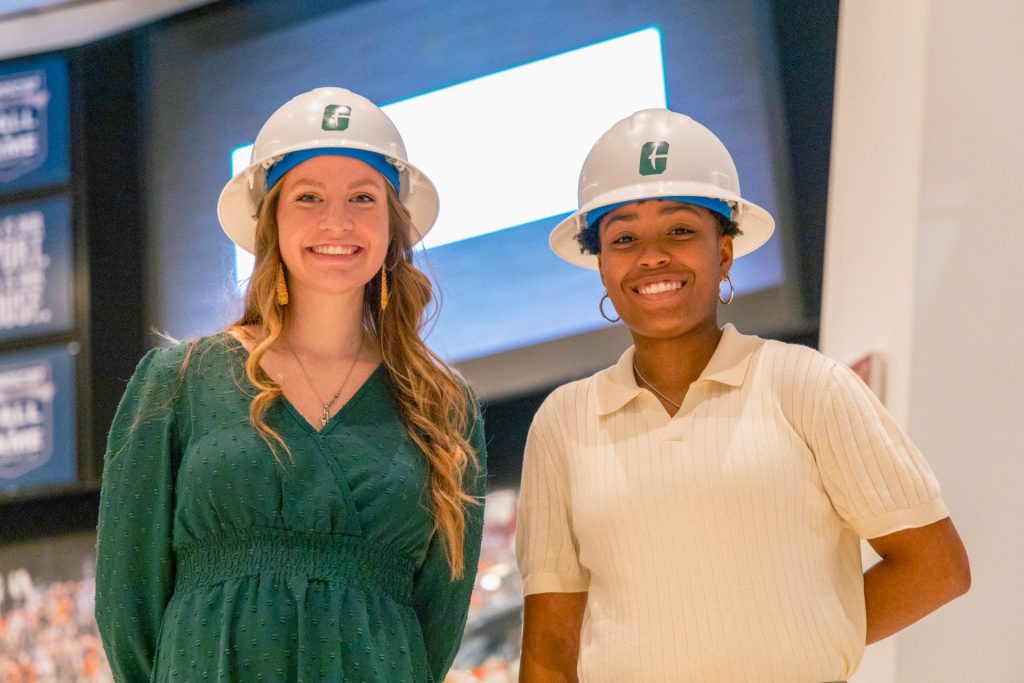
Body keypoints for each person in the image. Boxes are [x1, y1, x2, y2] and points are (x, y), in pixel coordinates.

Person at [515, 109, 969, 682]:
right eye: (624, 238)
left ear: (724, 251)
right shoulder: (563, 422)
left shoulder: (807, 384)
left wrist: (809, 647)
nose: (652, 256)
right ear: (601, 266)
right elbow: (550, 646)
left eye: (681, 230)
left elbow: (936, 567)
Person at [95, 87, 487, 683]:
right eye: (309, 197)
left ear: (392, 225)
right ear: (270, 220)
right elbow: (128, 609)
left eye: (363, 197)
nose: (337, 221)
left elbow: (437, 623)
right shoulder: (177, 383)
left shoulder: (444, 409)